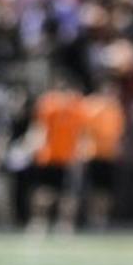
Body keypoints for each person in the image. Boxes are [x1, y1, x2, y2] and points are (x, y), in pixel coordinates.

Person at [28, 75, 86, 234]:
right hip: (55, 155)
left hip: (60, 155)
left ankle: (49, 223)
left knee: (56, 193)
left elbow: (39, 129)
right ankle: (50, 223)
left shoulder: (68, 105)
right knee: (54, 192)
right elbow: (41, 128)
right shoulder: (53, 104)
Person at [80, 82, 125, 230]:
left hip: (109, 154)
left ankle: (102, 218)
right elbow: (83, 130)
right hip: (92, 153)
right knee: (93, 188)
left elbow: (118, 132)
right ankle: (92, 217)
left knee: (106, 190)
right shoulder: (91, 105)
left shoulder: (115, 108)